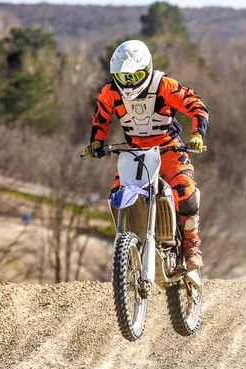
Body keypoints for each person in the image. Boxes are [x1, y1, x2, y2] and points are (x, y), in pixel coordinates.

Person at [82, 39, 208, 271]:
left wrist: (198, 134)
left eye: (133, 76)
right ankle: (130, 244)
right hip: (135, 152)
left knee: (184, 189)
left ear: (146, 69)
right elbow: (100, 118)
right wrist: (96, 143)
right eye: (122, 77)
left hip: (168, 148)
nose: (128, 83)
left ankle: (191, 244)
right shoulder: (109, 92)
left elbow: (196, 105)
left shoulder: (164, 85)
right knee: (116, 196)